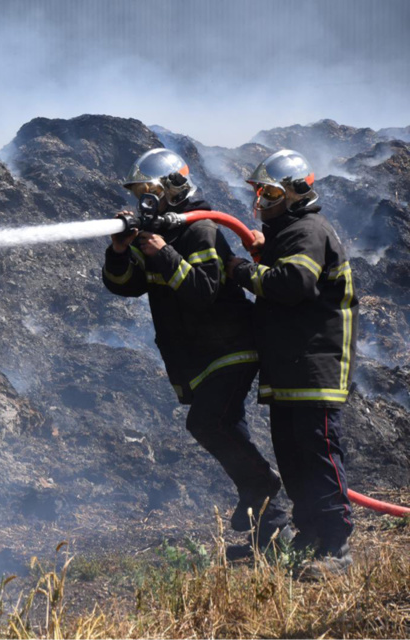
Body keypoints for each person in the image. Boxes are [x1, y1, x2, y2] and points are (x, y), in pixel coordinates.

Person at [103, 148, 289, 551]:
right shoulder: (160, 237)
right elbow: (125, 286)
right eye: (139, 195)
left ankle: (263, 484)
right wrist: (120, 250)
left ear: (172, 190)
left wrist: (163, 253)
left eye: (148, 192)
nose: (142, 202)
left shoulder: (199, 230)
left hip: (230, 349)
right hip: (199, 356)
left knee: (207, 424)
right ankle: (271, 535)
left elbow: (203, 292)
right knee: (225, 427)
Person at [227, 149, 357, 578]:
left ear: (297, 192)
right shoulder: (291, 232)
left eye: (269, 192)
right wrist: (265, 255)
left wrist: (245, 272)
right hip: (289, 368)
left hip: (313, 368)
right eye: (260, 192)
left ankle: (335, 548)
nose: (261, 201)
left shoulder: (308, 230)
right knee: (293, 458)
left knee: (318, 457)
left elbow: (295, 283)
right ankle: (310, 535)